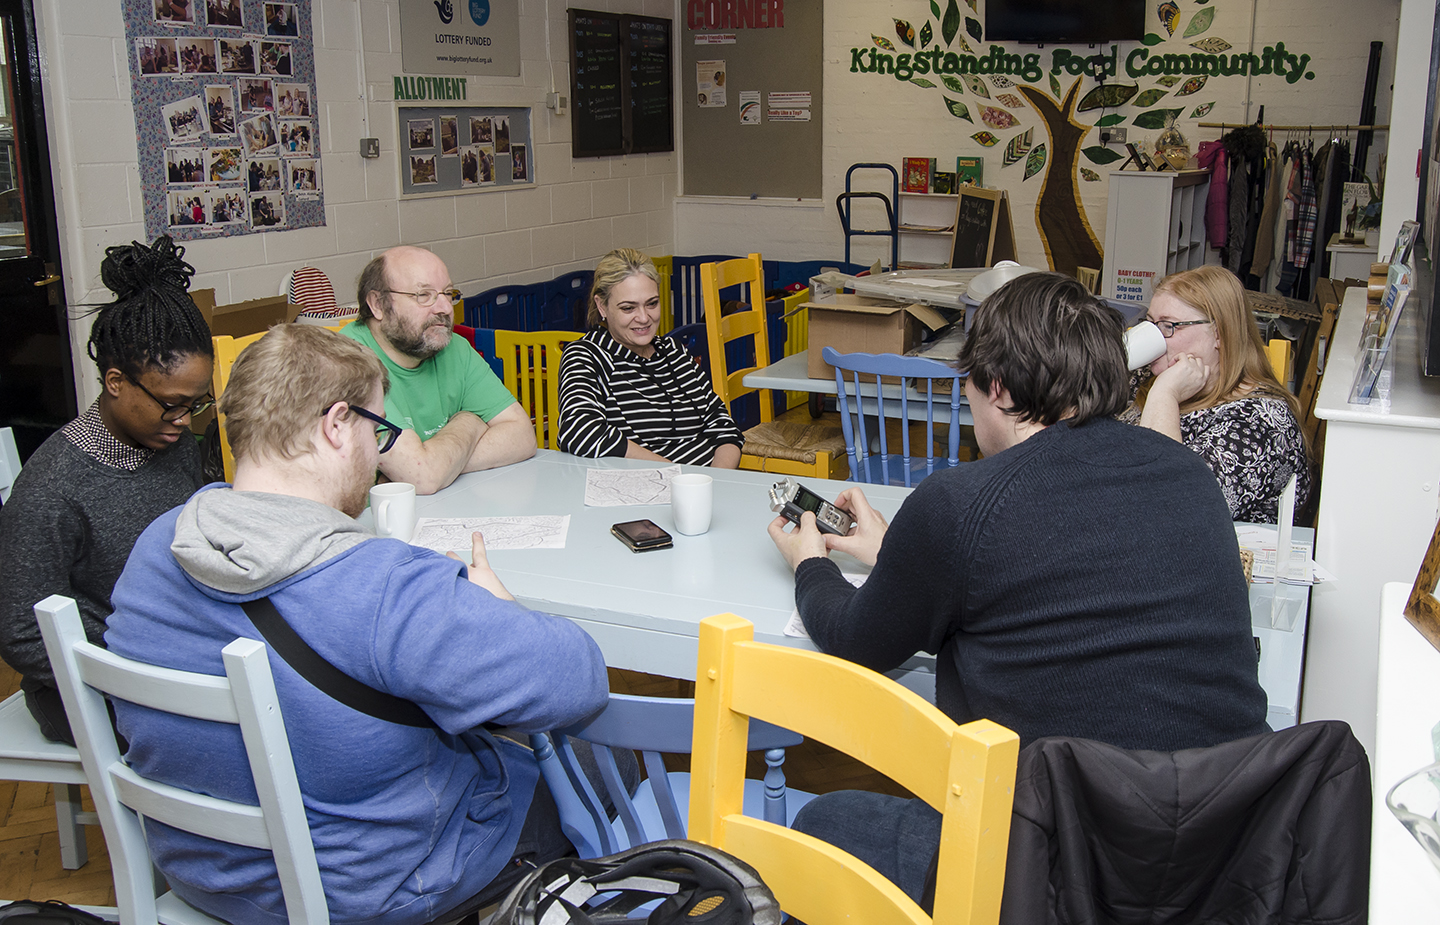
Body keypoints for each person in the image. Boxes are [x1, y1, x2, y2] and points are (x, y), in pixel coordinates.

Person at [766, 272, 1269, 904]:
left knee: (821, 823)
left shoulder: (961, 502)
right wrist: (901, 551)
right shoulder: (1189, 474)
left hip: (1056, 871)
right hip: (1219, 858)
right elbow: (1061, 567)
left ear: (997, 387)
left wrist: (810, 562)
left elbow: (855, 638)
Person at [104, 324, 609, 925]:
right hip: (371, 888)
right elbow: (580, 680)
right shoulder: (387, 587)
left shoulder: (157, 544)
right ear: (337, 425)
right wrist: (501, 610)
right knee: (601, 759)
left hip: (202, 874)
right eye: (379, 431)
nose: (378, 456)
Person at [0, 235, 212, 744]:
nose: (184, 421)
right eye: (172, 404)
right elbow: (21, 632)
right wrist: (141, 663)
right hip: (87, 682)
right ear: (115, 381)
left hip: (177, 653)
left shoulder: (170, 442)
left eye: (195, 404)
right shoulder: (53, 490)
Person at [342, 246, 535, 493]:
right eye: (424, 295)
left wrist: (438, 465)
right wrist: (470, 421)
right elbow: (423, 476)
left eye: (448, 293)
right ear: (377, 304)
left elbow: (523, 436)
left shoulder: (454, 348)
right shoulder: (347, 363)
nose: (444, 308)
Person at [1129, 265, 1310, 523]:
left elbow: (1170, 510)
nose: (1154, 337)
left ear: (1219, 334)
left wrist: (1164, 395)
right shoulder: (1149, 375)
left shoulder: (1261, 425)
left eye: (1168, 326)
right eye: (1150, 323)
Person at [557, 249, 744, 466]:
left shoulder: (674, 351)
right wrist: (673, 475)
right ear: (602, 306)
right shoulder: (587, 356)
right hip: (648, 483)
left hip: (706, 481)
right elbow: (579, 431)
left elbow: (723, 426)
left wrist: (715, 479)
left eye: (652, 303)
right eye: (628, 308)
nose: (644, 318)